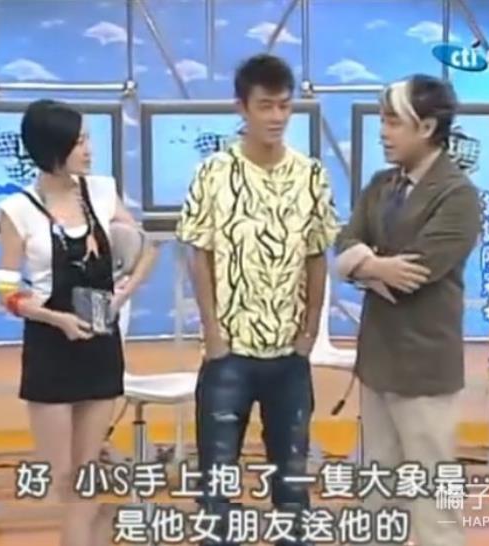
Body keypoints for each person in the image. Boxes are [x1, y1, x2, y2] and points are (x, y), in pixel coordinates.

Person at [176, 54, 340, 544]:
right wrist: (212, 333)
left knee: (292, 483)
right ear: (241, 107)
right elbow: (200, 254)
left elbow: (317, 254)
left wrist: (310, 332)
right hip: (228, 353)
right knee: (217, 483)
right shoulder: (213, 173)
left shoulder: (310, 175)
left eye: (284, 106)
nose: (276, 117)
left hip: (289, 355)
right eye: (265, 106)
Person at [0, 99, 156, 546]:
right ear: (52, 149)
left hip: (100, 345)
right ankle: (98, 523)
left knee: (86, 474)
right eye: (79, 141)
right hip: (50, 347)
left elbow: (146, 248)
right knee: (64, 477)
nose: (89, 149)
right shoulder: (17, 210)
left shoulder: (101, 191)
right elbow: (6, 289)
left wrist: (123, 294)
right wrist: (55, 318)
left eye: (87, 139)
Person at [335, 75, 481, 546]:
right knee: (378, 490)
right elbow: (344, 242)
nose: (383, 132)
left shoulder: (457, 194)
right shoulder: (381, 185)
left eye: (394, 122)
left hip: (424, 366)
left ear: (428, 127)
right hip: (377, 360)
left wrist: (361, 266)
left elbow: (415, 273)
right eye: (383, 120)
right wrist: (373, 265)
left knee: (434, 497)